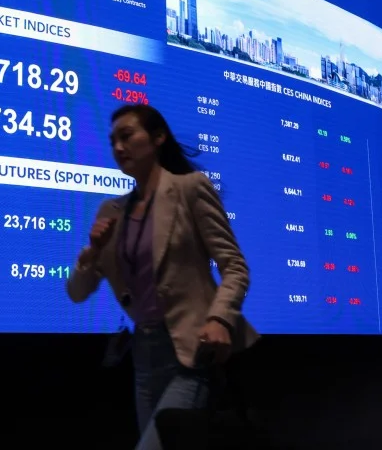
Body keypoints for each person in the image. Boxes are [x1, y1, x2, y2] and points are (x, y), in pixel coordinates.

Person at [67, 104, 258, 450]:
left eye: (127, 136)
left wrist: (220, 319)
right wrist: (92, 253)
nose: (119, 147)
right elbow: (77, 293)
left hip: (192, 347)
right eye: (113, 141)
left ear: (158, 138)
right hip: (144, 353)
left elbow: (234, 266)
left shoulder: (189, 189)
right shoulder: (111, 212)